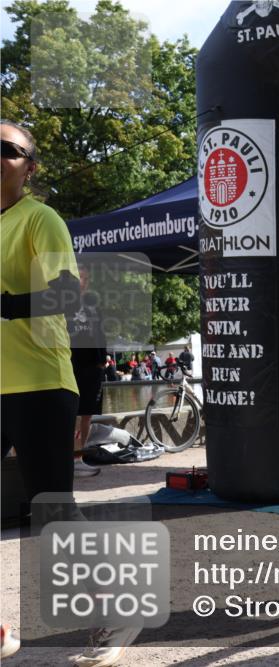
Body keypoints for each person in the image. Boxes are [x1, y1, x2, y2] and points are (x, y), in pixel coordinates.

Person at [2, 120, 141, 665]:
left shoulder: (39, 218)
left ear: (29, 167)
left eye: (7, 150)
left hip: (39, 384)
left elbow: (62, 295)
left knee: (52, 514)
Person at [68, 262, 106, 477]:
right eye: (79, 278)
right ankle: (69, 458)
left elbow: (100, 334)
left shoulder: (93, 305)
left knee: (87, 414)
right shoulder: (62, 304)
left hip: (92, 367)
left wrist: (102, 360)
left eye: (85, 279)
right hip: (71, 365)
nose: (82, 282)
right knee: (70, 412)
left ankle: (79, 457)